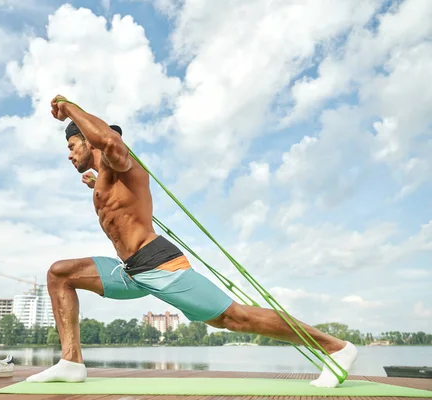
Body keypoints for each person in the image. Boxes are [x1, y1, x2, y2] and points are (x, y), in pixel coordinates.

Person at [25, 95, 358, 388]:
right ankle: (71, 362)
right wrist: (96, 183)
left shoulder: (126, 163)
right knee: (60, 274)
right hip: (129, 270)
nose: (69, 155)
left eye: (71, 146)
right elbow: (119, 203)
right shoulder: (105, 179)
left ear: (87, 140)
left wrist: (69, 108)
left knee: (234, 319)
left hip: (159, 265)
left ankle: (336, 347)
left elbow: (111, 144)